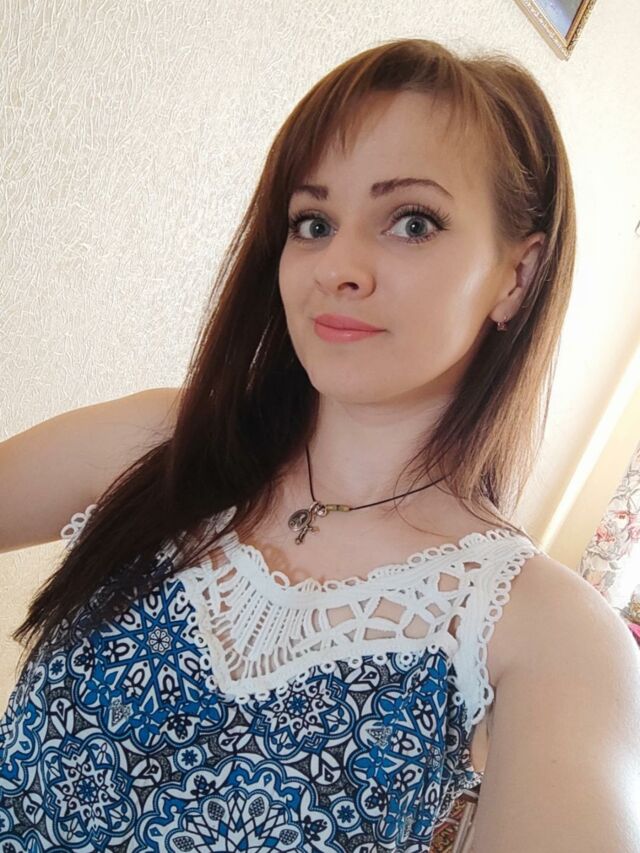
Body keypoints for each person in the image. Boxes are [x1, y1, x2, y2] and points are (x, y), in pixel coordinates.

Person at [1, 37, 639, 853]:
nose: (339, 266)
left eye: (412, 222)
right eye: (314, 222)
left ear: (516, 275)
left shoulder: (541, 629)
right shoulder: (160, 443)